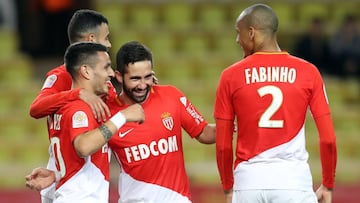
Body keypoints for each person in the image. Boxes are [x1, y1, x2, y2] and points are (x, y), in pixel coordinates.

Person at [26, 41, 216, 203]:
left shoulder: (171, 96)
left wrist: (236, 121)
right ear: (119, 76)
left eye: (147, 77)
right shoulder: (106, 112)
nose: (142, 85)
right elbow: (82, 146)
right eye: (135, 79)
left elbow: (205, 133)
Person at [214, 3, 337, 203]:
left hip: (248, 183)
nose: (238, 40)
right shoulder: (309, 72)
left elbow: (223, 145)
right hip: (293, 183)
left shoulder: (230, 76)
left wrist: (228, 188)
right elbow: (328, 139)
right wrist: (328, 184)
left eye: (239, 33)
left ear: (251, 32)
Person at [26, 42, 144, 202]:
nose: (110, 73)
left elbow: (75, 159)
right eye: (106, 67)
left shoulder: (70, 105)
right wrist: (122, 117)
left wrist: (58, 174)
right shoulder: (79, 108)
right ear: (86, 71)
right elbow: (83, 147)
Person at [28, 9, 113, 203]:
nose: (109, 44)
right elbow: (36, 108)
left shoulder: (103, 80)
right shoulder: (60, 76)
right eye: (106, 38)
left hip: (71, 174)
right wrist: (77, 93)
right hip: (72, 181)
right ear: (92, 39)